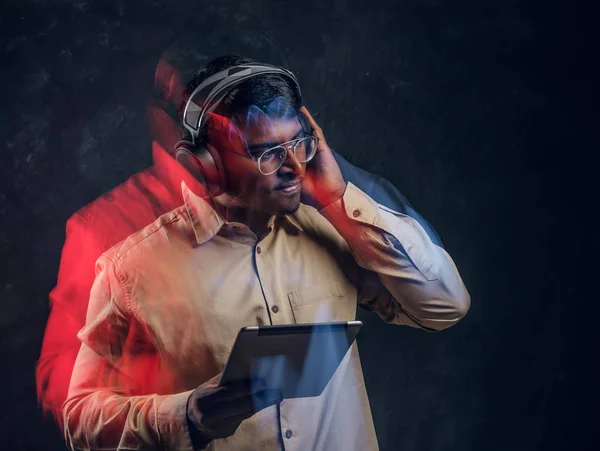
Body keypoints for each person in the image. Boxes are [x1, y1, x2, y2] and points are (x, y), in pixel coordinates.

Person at [47, 54, 470, 450]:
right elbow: (79, 418)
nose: (296, 167)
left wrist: (339, 197)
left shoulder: (337, 231)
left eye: (300, 143)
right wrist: (187, 415)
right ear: (205, 164)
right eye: (267, 152)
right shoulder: (129, 270)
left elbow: (446, 305)